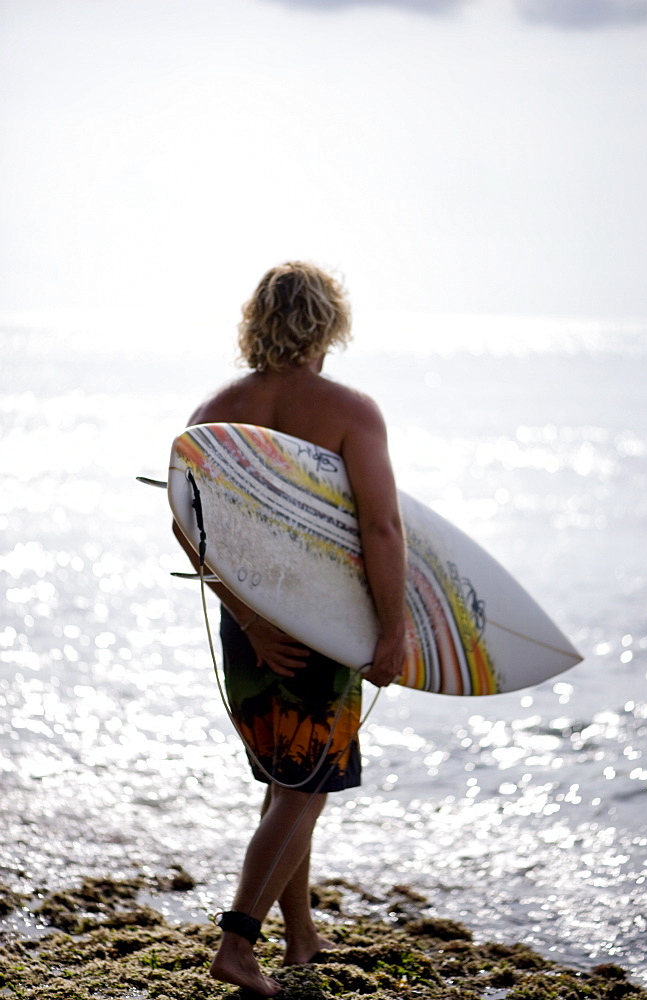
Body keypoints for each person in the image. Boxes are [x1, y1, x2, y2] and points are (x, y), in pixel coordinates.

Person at [173, 261, 407, 996]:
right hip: (323, 622)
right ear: (329, 324)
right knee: (305, 788)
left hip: (252, 627)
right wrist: (394, 628)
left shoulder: (215, 408)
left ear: (256, 321)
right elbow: (380, 525)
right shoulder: (350, 410)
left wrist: (244, 614)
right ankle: (238, 945)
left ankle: (300, 938)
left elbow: (187, 523)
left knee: (286, 781)